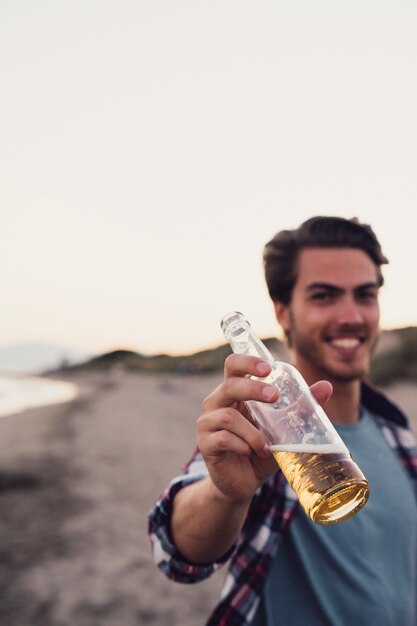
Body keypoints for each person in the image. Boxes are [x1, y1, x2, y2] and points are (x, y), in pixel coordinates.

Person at [148, 216, 417, 625]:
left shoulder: (400, 438)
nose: (351, 316)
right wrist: (228, 494)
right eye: (324, 296)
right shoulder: (263, 428)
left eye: (365, 295)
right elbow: (175, 554)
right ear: (283, 313)